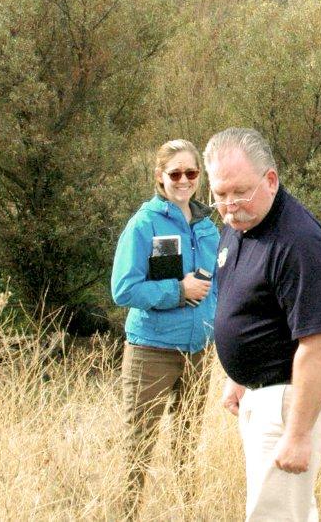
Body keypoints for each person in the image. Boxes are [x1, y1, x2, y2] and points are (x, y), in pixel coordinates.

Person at [204, 128, 321, 522]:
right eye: (219, 195)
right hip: (263, 391)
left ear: (271, 179)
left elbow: (319, 346)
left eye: (240, 192)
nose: (230, 205)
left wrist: (299, 435)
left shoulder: (299, 244)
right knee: (287, 511)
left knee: (276, 516)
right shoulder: (239, 228)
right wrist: (239, 376)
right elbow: (250, 305)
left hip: (292, 398)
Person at [111, 139, 220, 517]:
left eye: (191, 173)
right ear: (160, 177)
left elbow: (218, 284)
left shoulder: (207, 226)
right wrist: (177, 290)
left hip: (198, 352)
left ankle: (191, 511)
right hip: (152, 351)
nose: (184, 180)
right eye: (175, 173)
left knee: (187, 444)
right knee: (137, 448)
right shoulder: (144, 224)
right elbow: (123, 289)